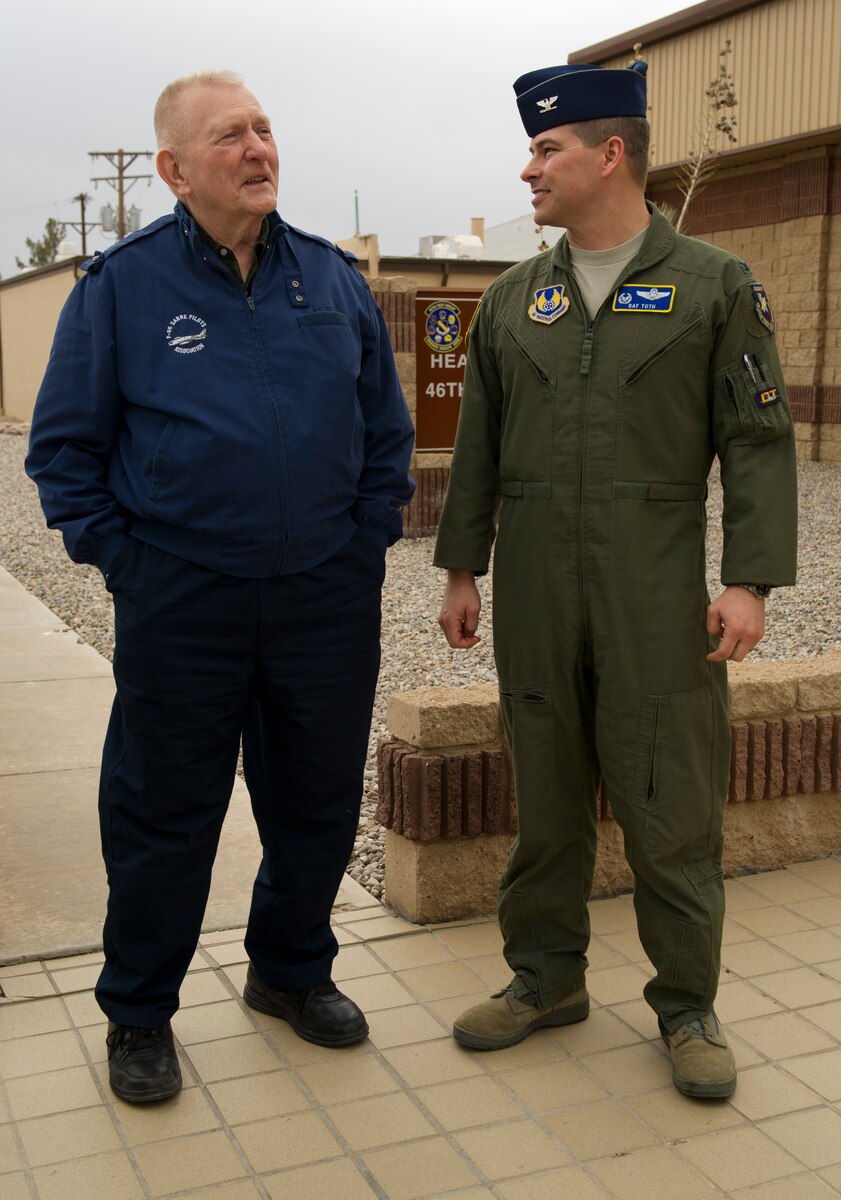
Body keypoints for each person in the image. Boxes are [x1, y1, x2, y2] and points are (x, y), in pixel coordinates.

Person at [26, 70, 414, 1103]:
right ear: (174, 169)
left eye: (264, 129)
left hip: (322, 598)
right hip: (184, 600)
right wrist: (130, 564)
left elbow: (386, 436)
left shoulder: (331, 282)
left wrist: (364, 542)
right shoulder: (122, 288)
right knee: (163, 812)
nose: (257, 149)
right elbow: (64, 451)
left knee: (316, 799)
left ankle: (290, 972)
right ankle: (139, 1014)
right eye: (230, 136)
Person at [435, 60, 797, 1099]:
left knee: (669, 802)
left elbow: (759, 441)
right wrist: (463, 568)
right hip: (537, 592)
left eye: (545, 149)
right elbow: (478, 450)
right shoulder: (516, 299)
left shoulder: (712, 286)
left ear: (609, 153)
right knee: (543, 794)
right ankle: (543, 979)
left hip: (655, 589)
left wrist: (749, 583)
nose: (528, 168)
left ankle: (686, 1004)